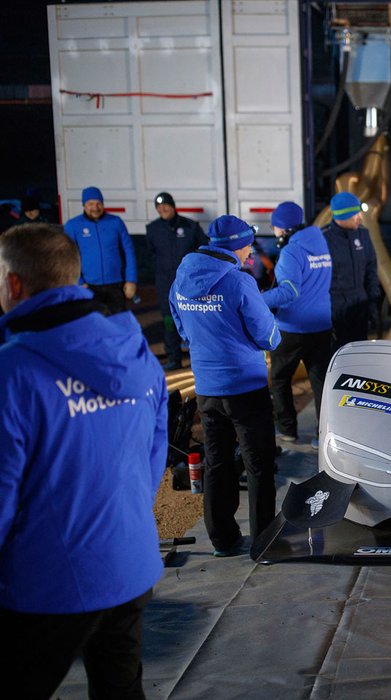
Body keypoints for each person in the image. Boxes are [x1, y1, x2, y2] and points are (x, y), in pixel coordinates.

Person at [0, 223, 167, 698]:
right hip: (130, 564)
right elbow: (151, 462)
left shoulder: (14, 372)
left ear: (14, 284)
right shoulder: (137, 354)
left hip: (45, 584)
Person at [170, 215, 281, 555]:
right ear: (236, 244)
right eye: (248, 243)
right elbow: (269, 337)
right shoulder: (239, 283)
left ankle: (223, 539)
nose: (251, 252)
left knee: (217, 462)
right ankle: (263, 542)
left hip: (207, 387)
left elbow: (182, 329)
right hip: (245, 387)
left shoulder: (182, 277)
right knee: (259, 464)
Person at [262, 202, 333, 447]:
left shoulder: (291, 252)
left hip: (292, 328)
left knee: (280, 379)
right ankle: (323, 434)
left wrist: (258, 299)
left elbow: (288, 293)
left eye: (274, 227)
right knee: (321, 382)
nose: (274, 232)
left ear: (283, 228)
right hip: (322, 325)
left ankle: (287, 430)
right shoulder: (320, 242)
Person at [145, 191, 208, 370]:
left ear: (173, 206)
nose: (162, 209)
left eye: (166, 205)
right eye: (159, 207)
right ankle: (174, 358)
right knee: (169, 321)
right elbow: (152, 254)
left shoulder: (190, 226)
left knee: (195, 319)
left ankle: (200, 357)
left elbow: (203, 248)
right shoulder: (153, 229)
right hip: (165, 283)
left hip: (189, 284)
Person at [63, 186, 138, 315]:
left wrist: (131, 280)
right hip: (88, 286)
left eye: (98, 203)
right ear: (84, 205)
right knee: (93, 324)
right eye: (90, 204)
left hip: (115, 284)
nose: (95, 207)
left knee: (118, 322)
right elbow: (67, 256)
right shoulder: (73, 225)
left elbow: (129, 252)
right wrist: (78, 282)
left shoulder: (115, 222)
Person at [322, 192, 380, 348]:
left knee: (359, 354)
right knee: (336, 353)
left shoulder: (363, 235)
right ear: (342, 216)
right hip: (335, 308)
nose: (360, 218)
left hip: (359, 305)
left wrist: (373, 302)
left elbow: (371, 268)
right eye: (355, 214)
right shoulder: (324, 239)